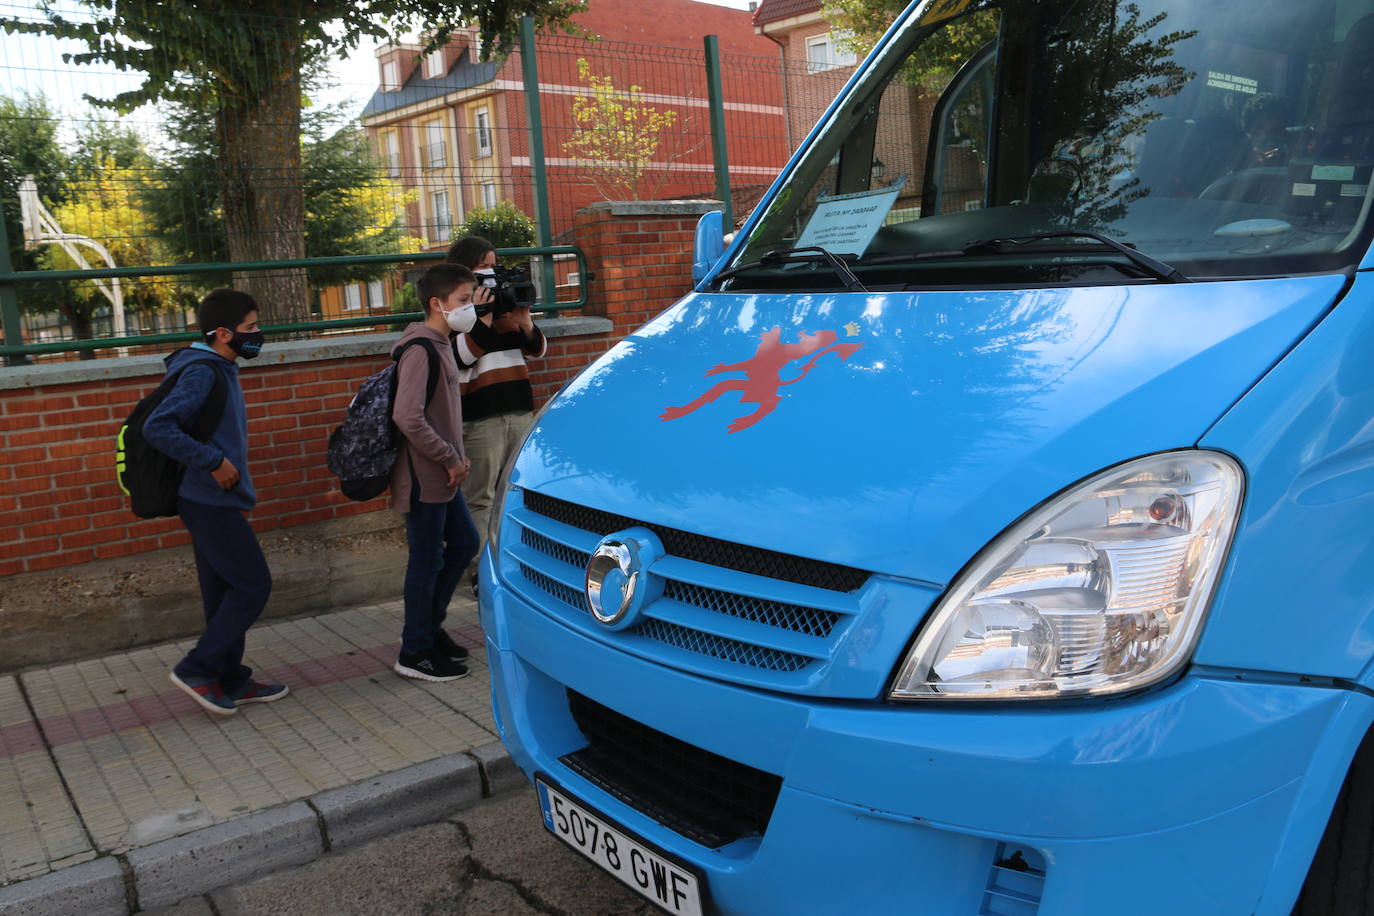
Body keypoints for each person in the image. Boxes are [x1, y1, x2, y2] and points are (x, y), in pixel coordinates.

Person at [143, 288, 287, 716]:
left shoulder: (219, 367)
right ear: (223, 333)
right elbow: (159, 426)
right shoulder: (203, 371)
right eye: (250, 328)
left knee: (224, 592)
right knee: (252, 585)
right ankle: (197, 668)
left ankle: (229, 678)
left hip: (215, 498)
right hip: (206, 499)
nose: (258, 334)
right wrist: (213, 463)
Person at [390, 263, 482, 682]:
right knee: (426, 561)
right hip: (425, 479)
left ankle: (428, 630)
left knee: (463, 543)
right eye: (463, 300)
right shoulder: (420, 350)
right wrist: (449, 457)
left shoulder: (443, 343)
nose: (470, 308)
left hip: (445, 476)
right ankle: (414, 652)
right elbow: (407, 417)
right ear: (437, 304)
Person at [445, 236, 547, 594]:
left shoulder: (502, 308)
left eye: (494, 264)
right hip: (480, 416)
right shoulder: (453, 313)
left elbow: (536, 351)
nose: (490, 273)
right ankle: (481, 573)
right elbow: (461, 358)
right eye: (482, 267)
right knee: (481, 498)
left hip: (517, 408)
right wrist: (479, 317)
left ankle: (514, 564)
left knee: (514, 493)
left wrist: (524, 322)